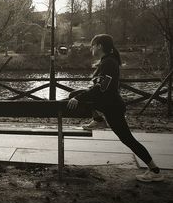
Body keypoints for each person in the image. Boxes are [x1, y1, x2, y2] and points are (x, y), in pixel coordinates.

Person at [67, 34, 164, 182]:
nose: (91, 48)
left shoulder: (109, 63)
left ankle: (155, 171)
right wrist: (81, 93)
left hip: (112, 107)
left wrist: (79, 97)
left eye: (92, 45)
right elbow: (98, 86)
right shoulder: (105, 62)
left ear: (99, 46)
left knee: (127, 139)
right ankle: (98, 119)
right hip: (106, 105)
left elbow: (102, 88)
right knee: (75, 93)